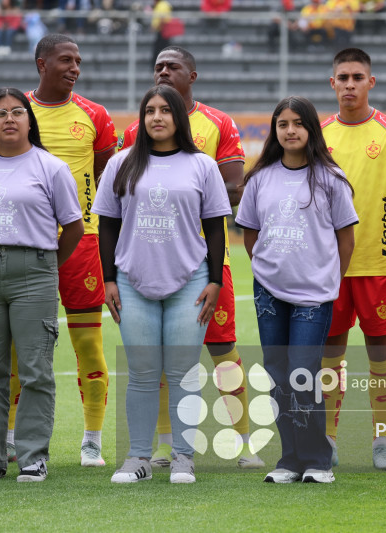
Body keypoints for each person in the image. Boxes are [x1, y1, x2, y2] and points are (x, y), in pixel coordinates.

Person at [121, 46, 264, 469]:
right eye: (158, 66)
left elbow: (233, 187)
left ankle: (244, 442)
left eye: (173, 66)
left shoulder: (219, 123)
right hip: (150, 258)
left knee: (223, 349)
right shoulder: (135, 132)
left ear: (192, 75)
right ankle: (166, 448)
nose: (163, 71)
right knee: (158, 358)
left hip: (203, 260)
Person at [93, 85, 232, 484]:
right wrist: (110, 280)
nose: (157, 117)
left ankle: (184, 458)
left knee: (182, 373)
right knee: (141, 373)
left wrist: (214, 280)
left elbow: (215, 227)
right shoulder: (121, 164)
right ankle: (137, 458)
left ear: (179, 118)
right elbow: (107, 226)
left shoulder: (201, 165)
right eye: (150, 110)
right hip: (132, 283)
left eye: (165, 110)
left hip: (189, 283)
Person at [0, 88, 84, 482]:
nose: (8, 119)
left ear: (30, 120)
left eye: (16, 112)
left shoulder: (50, 167)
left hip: (36, 271)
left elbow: (74, 227)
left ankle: (32, 457)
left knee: (34, 370)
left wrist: (44, 266)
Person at [236, 96, 357, 484]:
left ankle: (317, 460)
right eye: (283, 123)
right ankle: (289, 459)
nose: (290, 130)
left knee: (303, 373)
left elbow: (345, 239)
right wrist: (270, 270)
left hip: (313, 294)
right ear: (275, 130)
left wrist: (327, 278)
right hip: (269, 292)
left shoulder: (331, 179)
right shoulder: (260, 178)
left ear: (311, 130)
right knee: (277, 375)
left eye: (298, 123)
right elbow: (250, 235)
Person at [9, 34, 117, 467]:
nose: (75, 68)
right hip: (25, 241)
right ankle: (15, 435)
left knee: (88, 345)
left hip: (83, 243)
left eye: (79, 61)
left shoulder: (95, 115)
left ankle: (92, 438)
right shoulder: (17, 111)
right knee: (20, 346)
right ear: (42, 64)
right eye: (66, 60)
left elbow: (109, 181)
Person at [321, 48, 386, 470]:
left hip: (378, 265)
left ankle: (382, 442)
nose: (349, 85)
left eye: (357, 77)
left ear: (370, 83)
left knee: (381, 350)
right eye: (342, 77)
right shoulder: (319, 134)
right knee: (330, 352)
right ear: (332, 83)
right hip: (328, 266)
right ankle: (327, 439)